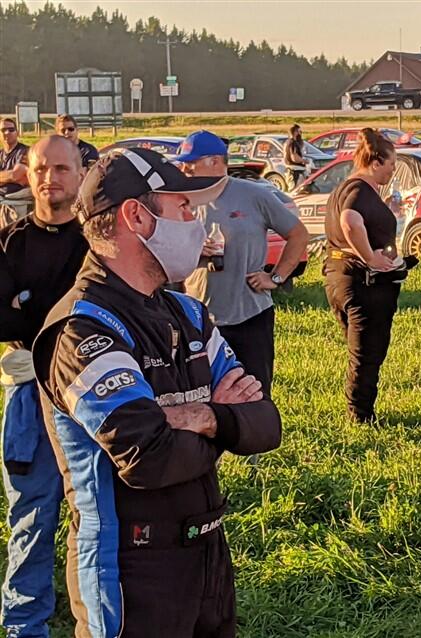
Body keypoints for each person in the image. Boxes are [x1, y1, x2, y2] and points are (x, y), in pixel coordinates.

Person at [31, 148, 282, 637]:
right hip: (129, 571)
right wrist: (221, 418)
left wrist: (203, 416)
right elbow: (149, 459)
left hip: (207, 555)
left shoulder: (187, 313)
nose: (196, 223)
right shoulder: (82, 329)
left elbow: (266, 424)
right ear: (136, 216)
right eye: (183, 209)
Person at [0, 135, 88, 638]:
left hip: (87, 394)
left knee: (95, 513)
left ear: (79, 175)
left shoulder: (97, 244)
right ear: (26, 175)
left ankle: (95, 616)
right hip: (28, 398)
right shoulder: (9, 242)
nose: (49, 177)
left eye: (60, 167)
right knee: (31, 514)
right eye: (39, 168)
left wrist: (26, 307)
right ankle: (23, 625)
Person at [177, 130, 310, 394]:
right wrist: (190, 249)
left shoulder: (252, 195)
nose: (184, 168)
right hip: (198, 320)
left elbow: (298, 234)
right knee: (202, 395)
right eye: (183, 162)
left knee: (255, 394)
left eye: (191, 162)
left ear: (215, 161)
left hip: (249, 317)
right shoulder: (180, 199)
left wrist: (276, 277)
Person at [323, 128, 407, 423]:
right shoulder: (360, 190)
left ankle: (360, 408)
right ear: (375, 162)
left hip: (338, 275)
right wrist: (370, 257)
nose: (392, 171)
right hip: (362, 282)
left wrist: (388, 212)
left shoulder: (345, 188)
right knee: (367, 352)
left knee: (361, 349)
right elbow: (350, 222)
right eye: (391, 164)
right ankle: (360, 416)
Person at [0, 118, 28, 197]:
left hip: (17, 198)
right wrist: (8, 178)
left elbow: (16, 175)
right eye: (3, 130)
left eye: (11, 129)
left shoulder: (26, 151)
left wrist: (12, 177)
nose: (7, 132)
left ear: (17, 133)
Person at [283, 123, 308, 189]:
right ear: (295, 132)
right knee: (296, 191)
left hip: (290, 170)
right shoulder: (293, 143)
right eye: (299, 131)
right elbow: (294, 157)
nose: (300, 134)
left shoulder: (287, 142)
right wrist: (304, 161)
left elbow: (286, 156)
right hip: (295, 172)